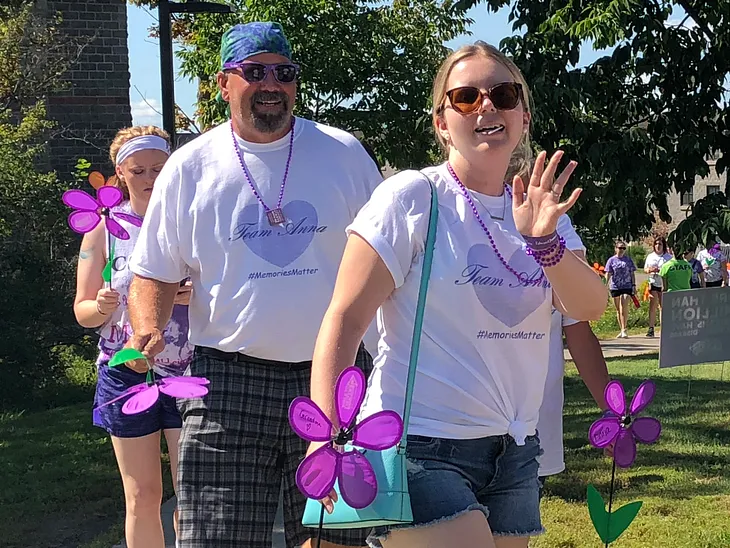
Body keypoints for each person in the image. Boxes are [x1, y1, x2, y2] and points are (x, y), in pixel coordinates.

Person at [308, 41, 607, 548]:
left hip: (514, 450)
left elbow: (588, 307)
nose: (487, 106)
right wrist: (324, 436)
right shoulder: (412, 198)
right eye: (466, 96)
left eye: (503, 94)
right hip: (418, 444)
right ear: (442, 122)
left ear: (524, 116)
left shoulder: (543, 215)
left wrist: (545, 243)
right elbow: (345, 318)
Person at [126, 22, 382, 548]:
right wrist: (146, 327)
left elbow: (389, 257)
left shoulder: (343, 154)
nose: (272, 83)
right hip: (226, 386)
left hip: (335, 379)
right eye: (255, 72)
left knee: (338, 540)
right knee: (215, 538)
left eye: (283, 73)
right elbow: (152, 267)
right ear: (224, 83)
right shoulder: (189, 168)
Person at [73, 126, 193, 548]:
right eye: (138, 170)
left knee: (191, 494)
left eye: (158, 168)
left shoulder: (190, 222)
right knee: (142, 495)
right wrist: (101, 306)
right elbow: (83, 311)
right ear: (120, 173)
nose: (150, 178)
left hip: (189, 371)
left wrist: (194, 295)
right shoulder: (104, 231)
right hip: (125, 373)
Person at [537, 312, 610, 490]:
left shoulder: (562, 281)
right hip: (460, 431)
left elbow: (580, 335)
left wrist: (612, 412)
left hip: (535, 432)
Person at [604, 241, 636, 338]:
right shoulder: (611, 260)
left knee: (624, 304)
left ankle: (624, 328)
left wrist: (634, 285)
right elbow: (608, 273)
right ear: (616, 248)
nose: (622, 250)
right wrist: (604, 285)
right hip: (615, 286)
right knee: (618, 309)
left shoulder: (628, 260)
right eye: (620, 248)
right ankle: (621, 328)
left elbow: (632, 273)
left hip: (627, 286)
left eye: (623, 248)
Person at [643, 237, 671, 337]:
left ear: (664, 246)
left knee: (663, 306)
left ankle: (663, 327)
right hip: (653, 282)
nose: (658, 246)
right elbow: (645, 269)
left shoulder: (668, 257)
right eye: (656, 244)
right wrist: (650, 269)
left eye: (660, 244)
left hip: (664, 283)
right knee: (652, 305)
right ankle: (651, 328)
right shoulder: (650, 256)